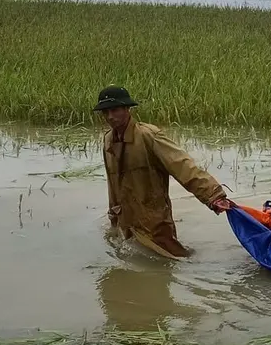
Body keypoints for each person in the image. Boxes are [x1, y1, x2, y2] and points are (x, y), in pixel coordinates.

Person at [95, 85, 230, 258]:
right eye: (105, 112)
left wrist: (213, 196)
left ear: (127, 109)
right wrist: (113, 217)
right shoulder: (108, 141)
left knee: (177, 260)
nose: (110, 117)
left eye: (115, 110)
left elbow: (183, 165)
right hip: (125, 219)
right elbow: (112, 183)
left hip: (153, 220)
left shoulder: (149, 136)